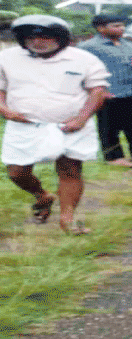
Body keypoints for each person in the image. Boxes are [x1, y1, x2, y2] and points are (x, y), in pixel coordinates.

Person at [0, 15, 110, 235]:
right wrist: (5, 110)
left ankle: (67, 219)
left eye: (45, 37)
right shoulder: (6, 57)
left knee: (70, 170)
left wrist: (81, 119)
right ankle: (42, 195)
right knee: (16, 172)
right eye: (31, 37)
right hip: (24, 124)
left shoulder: (84, 59)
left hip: (71, 125)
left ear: (61, 38)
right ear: (22, 39)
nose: (38, 42)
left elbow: (98, 90)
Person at [77, 15, 132, 168]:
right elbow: (80, 70)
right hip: (108, 93)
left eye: (122, 25)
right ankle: (113, 158)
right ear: (101, 28)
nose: (121, 28)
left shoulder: (129, 45)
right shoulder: (88, 47)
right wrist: (95, 90)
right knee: (109, 127)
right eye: (116, 26)